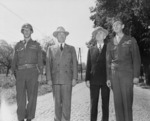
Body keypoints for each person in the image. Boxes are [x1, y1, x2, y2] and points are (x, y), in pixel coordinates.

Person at [106, 18, 141, 121]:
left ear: (123, 26)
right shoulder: (110, 43)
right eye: (114, 25)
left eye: (118, 24)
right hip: (114, 76)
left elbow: (136, 58)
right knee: (117, 103)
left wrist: (136, 76)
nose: (116, 26)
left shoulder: (131, 40)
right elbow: (108, 62)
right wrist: (108, 78)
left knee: (127, 102)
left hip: (127, 75)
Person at [11, 23, 43, 121]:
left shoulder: (36, 45)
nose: (26, 31)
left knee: (32, 97)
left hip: (33, 73)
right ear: (22, 32)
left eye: (28, 30)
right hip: (20, 73)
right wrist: (13, 74)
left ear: (31, 31)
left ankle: (29, 118)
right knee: (20, 98)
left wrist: (40, 73)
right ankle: (20, 118)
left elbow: (40, 60)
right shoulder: (17, 45)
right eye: (24, 30)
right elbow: (14, 60)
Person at [46, 26, 78, 121]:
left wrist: (74, 78)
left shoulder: (71, 48)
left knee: (66, 105)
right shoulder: (50, 49)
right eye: (59, 34)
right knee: (57, 105)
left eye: (63, 34)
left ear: (66, 36)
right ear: (56, 36)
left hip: (67, 80)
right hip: (55, 80)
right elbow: (48, 64)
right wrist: (49, 78)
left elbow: (75, 64)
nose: (61, 36)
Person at [85, 27, 110, 121]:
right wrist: (87, 79)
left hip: (106, 80)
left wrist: (110, 78)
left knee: (105, 104)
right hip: (94, 80)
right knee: (93, 104)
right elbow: (88, 65)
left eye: (100, 33)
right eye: (96, 33)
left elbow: (111, 64)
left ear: (104, 36)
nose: (98, 35)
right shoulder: (91, 50)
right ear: (95, 37)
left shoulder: (109, 48)